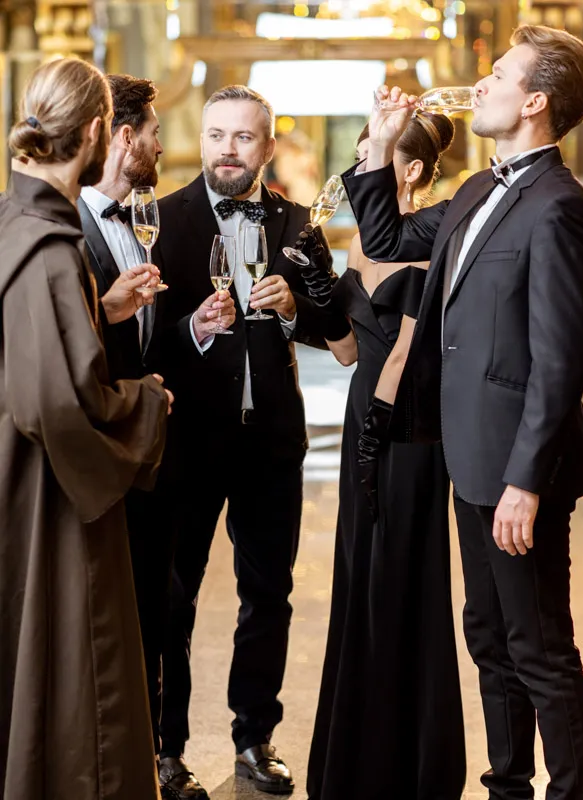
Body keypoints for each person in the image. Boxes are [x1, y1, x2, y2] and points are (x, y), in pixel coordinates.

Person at [343, 23, 583, 800]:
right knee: (488, 636)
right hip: (466, 457)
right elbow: (385, 233)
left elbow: (561, 362)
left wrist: (525, 481)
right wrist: (380, 147)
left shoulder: (560, 206)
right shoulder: (477, 191)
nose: (479, 85)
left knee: (539, 645)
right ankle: (507, 786)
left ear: (535, 100)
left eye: (498, 75)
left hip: (519, 470)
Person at [148, 85, 340, 799]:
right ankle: (166, 751)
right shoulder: (161, 222)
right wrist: (195, 330)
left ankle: (254, 739)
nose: (228, 149)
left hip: (272, 446)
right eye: (216, 135)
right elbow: (141, 344)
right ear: (201, 140)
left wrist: (295, 310)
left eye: (243, 137)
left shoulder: (296, 224)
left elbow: (335, 327)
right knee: (176, 598)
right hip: (188, 443)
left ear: (266, 144)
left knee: (270, 595)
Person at [0, 57, 173, 800]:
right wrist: (145, 402)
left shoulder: (17, 220)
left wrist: (96, 317)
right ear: (101, 132)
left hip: (21, 477)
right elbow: (59, 405)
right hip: (51, 496)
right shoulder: (50, 246)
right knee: (78, 674)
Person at [77, 73, 236, 767]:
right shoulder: (62, 230)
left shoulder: (140, 224)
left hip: (149, 462)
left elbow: (146, 344)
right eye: (152, 133)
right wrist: (102, 310)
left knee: (161, 614)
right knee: (124, 624)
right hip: (97, 464)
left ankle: (149, 762)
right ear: (121, 137)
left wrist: (189, 329)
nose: (161, 145)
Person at [306, 115, 466, 800]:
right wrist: (315, 292)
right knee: (358, 580)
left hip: (403, 433)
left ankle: (409, 765)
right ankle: (354, 759)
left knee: (400, 582)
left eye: (374, 154)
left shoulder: (431, 239)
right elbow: (349, 351)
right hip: (361, 424)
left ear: (412, 170)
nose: (362, 163)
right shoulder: (361, 244)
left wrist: (378, 420)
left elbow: (405, 348)